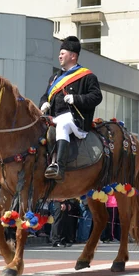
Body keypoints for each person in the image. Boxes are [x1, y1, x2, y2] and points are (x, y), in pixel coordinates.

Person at [40, 36, 103, 182]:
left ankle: (59, 167)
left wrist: (76, 99)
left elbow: (96, 97)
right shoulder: (54, 77)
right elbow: (45, 95)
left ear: (73, 56)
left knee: (63, 124)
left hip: (75, 119)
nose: (59, 56)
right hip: (54, 116)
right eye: (60, 53)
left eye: (63, 53)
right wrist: (44, 103)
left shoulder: (87, 76)